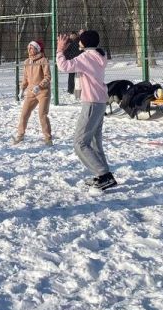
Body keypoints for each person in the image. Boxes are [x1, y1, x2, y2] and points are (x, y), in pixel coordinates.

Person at [56, 29, 117, 191]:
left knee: (80, 142)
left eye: (81, 40)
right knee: (95, 142)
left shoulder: (86, 57)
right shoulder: (100, 55)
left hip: (91, 103)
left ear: (85, 43)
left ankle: (104, 174)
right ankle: (102, 175)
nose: (78, 42)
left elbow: (64, 66)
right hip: (100, 102)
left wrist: (60, 50)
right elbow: (89, 45)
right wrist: (85, 37)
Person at [13, 39, 53, 146]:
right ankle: (20, 135)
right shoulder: (27, 62)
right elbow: (25, 78)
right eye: (28, 48)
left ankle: (48, 138)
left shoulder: (44, 60)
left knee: (42, 114)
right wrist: (22, 89)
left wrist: (39, 86)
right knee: (24, 114)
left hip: (43, 92)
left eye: (31, 48)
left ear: (37, 49)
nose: (29, 50)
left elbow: (48, 77)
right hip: (31, 92)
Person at [63, 30, 83, 99]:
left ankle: (80, 90)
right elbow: (65, 52)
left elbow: (82, 50)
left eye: (73, 35)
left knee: (79, 77)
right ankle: (70, 90)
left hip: (79, 61)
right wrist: (68, 58)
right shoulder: (68, 43)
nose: (72, 36)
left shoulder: (79, 41)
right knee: (71, 76)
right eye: (71, 35)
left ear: (76, 35)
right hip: (71, 61)